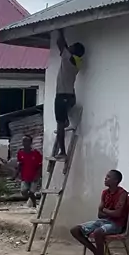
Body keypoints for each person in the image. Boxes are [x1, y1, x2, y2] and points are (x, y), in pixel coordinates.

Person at [70, 170, 128, 255]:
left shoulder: (122, 193)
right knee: (75, 230)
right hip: (105, 221)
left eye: (108, 177)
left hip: (117, 224)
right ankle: (97, 253)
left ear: (116, 181)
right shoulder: (105, 193)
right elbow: (100, 214)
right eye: (106, 176)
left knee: (98, 232)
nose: (105, 178)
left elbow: (117, 214)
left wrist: (105, 210)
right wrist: (109, 212)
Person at [54, 29, 85, 159]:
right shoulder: (76, 61)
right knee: (63, 120)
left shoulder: (68, 59)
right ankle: (66, 120)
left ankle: (62, 152)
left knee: (60, 125)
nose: (69, 47)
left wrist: (60, 31)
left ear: (74, 51)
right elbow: (65, 47)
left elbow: (60, 43)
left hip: (62, 95)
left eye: (71, 47)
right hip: (71, 96)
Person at [16, 135, 43, 208]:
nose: (25, 143)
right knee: (23, 191)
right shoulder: (20, 153)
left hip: (34, 176)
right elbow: (20, 164)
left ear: (30, 142)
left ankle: (34, 205)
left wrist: (38, 175)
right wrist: (16, 174)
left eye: (26, 141)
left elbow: (40, 165)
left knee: (31, 192)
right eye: (23, 141)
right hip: (25, 176)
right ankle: (32, 200)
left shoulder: (36, 153)